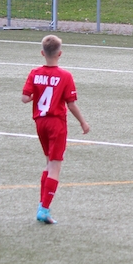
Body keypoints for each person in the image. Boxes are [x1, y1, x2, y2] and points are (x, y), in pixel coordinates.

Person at [22, 34, 91, 224]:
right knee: (55, 166)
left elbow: (25, 98)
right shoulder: (65, 76)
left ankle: (42, 204)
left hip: (40, 122)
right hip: (56, 123)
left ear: (42, 53)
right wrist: (83, 122)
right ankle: (44, 209)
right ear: (60, 54)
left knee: (48, 163)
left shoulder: (35, 73)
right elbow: (71, 104)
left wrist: (37, 94)